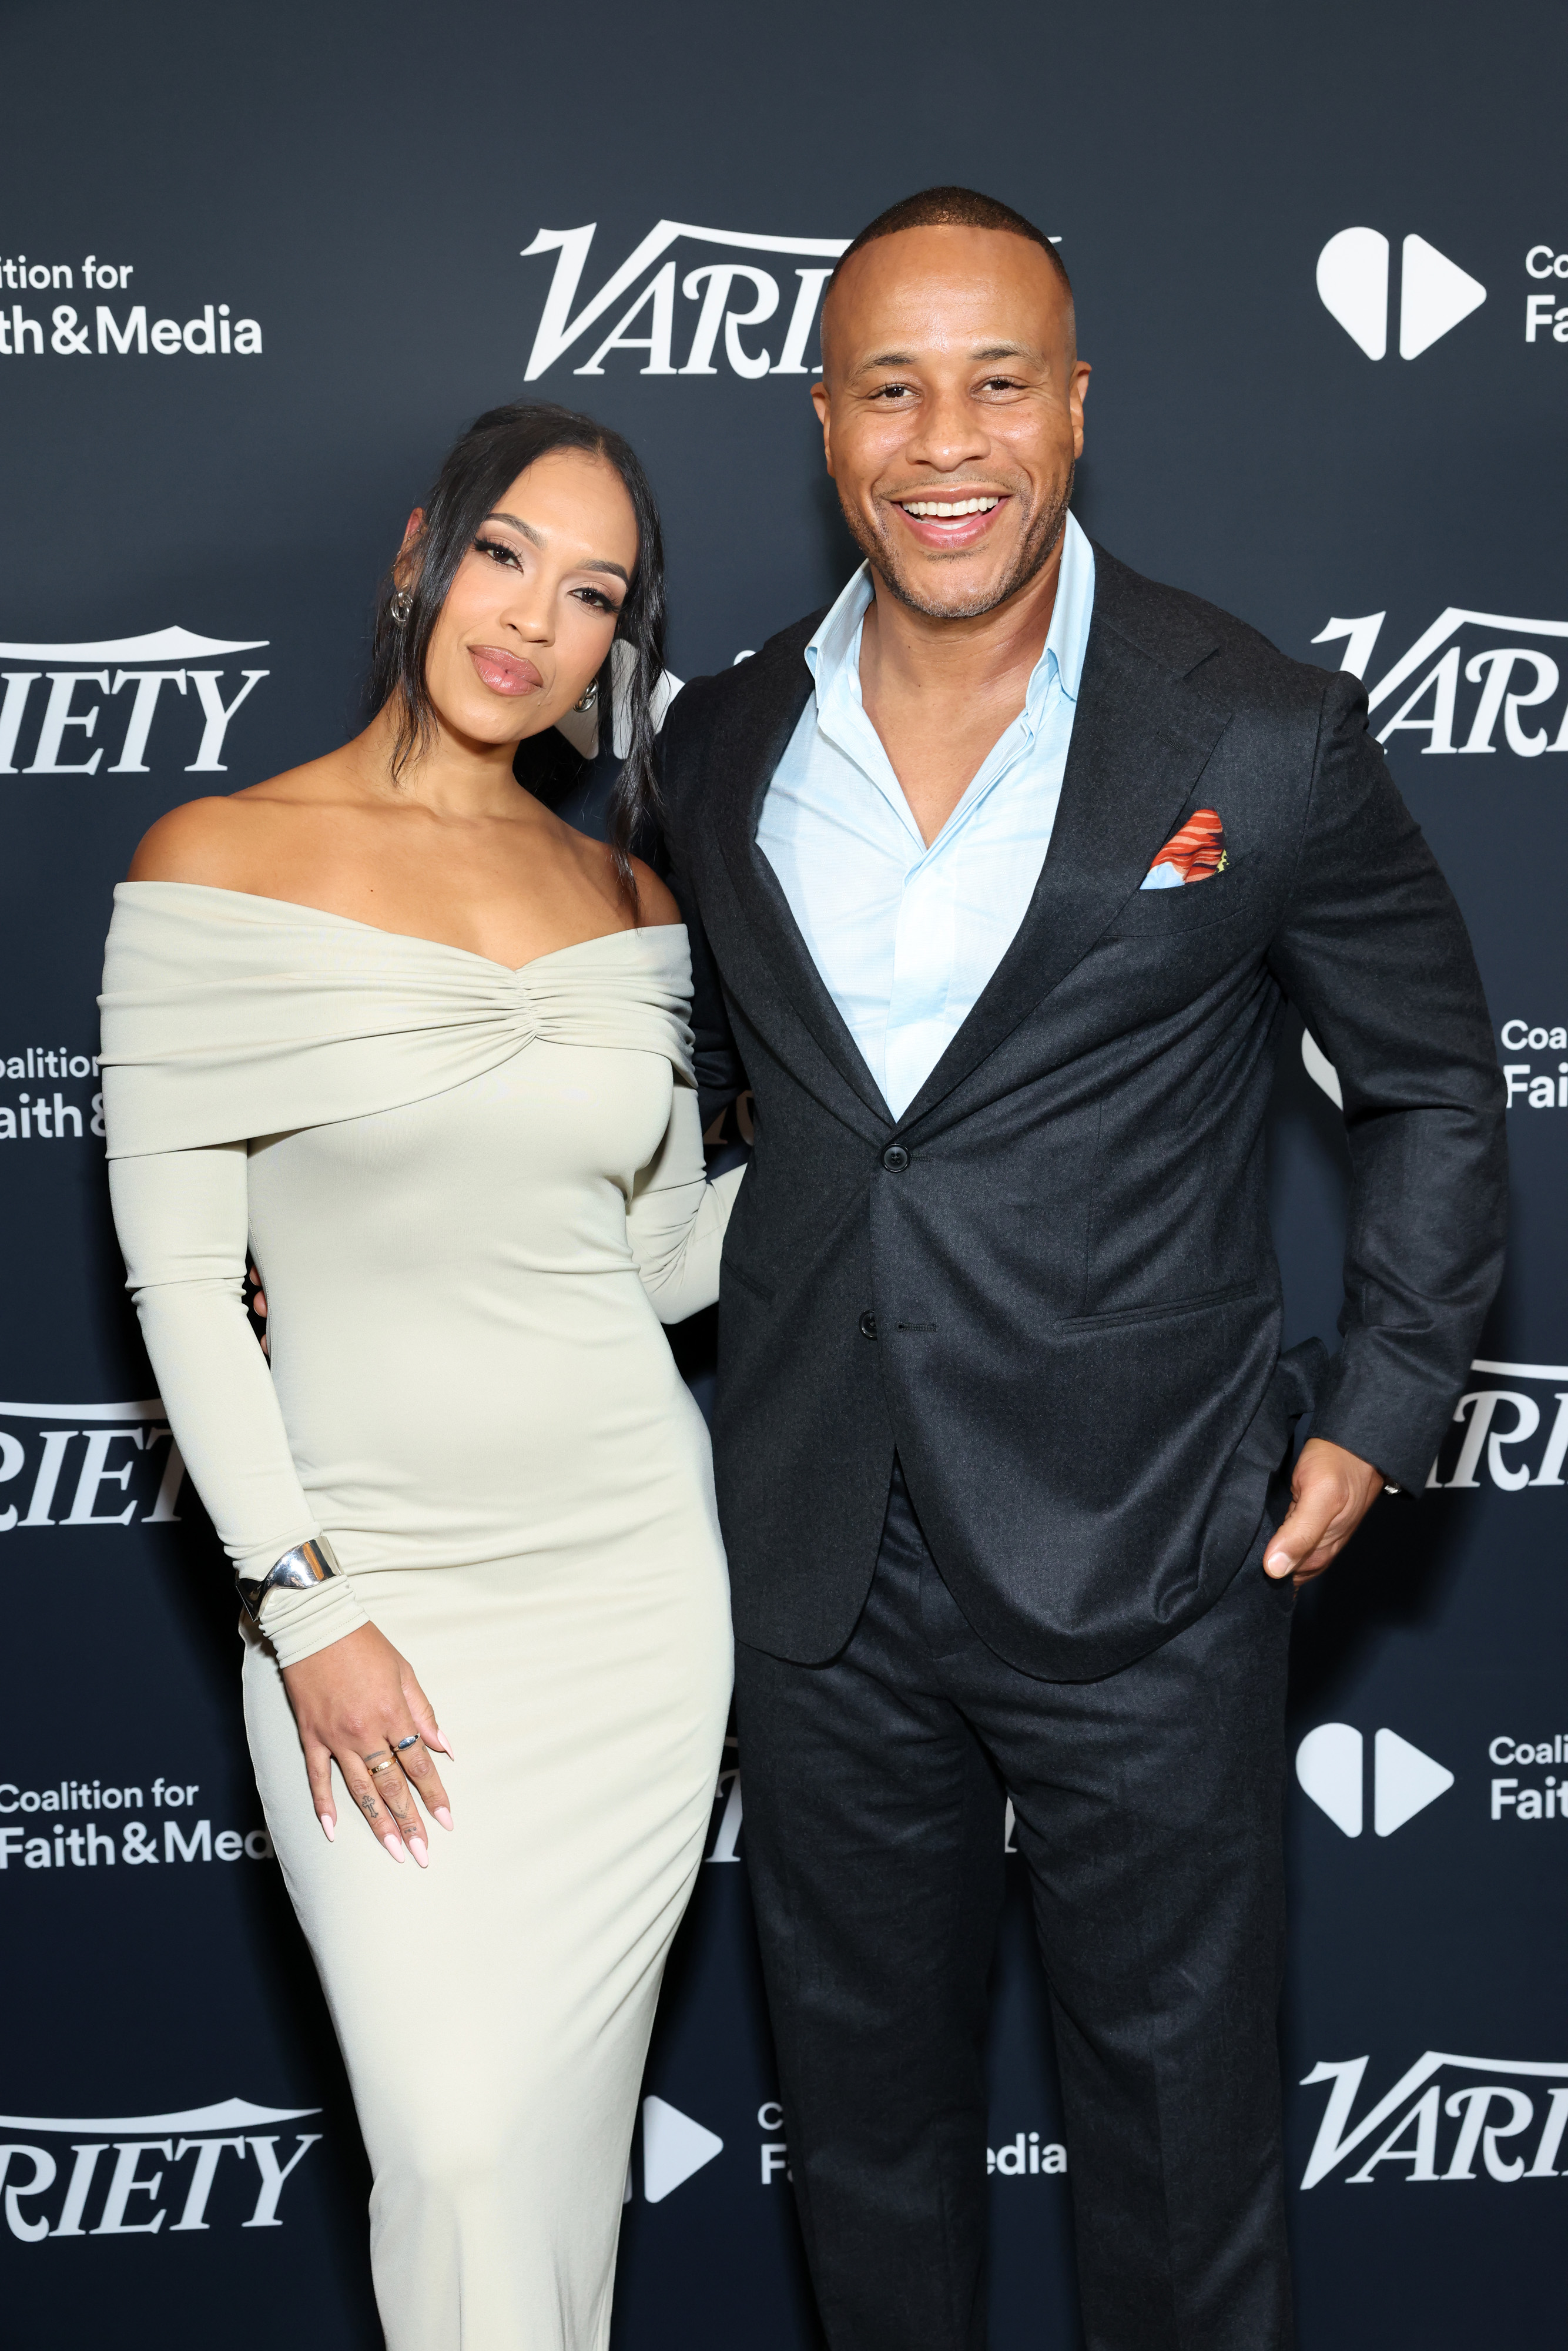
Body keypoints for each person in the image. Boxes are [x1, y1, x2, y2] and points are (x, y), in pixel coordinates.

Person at [660, 189, 1507, 2351]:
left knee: (1176, 2141)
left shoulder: (1255, 729)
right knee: (859, 2137)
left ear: (1077, 406)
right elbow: (714, 1113)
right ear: (825, 418)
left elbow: (1427, 1084)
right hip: (819, 1546)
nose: (947, 440)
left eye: (998, 380)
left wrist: (1385, 1403)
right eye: (891, 385)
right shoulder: (720, 740)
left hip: (1145, 1550)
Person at [99, 402, 740, 2351]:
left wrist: (878, 1169)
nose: (533, 616)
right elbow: (186, 1286)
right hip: (375, 1596)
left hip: (630, 1602)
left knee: (551, 2158)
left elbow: (644, 1262)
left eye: (593, 591)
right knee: (456, 2144)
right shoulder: (216, 859)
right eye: (504, 553)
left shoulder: (627, 904)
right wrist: (307, 1607)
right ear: (417, 554)